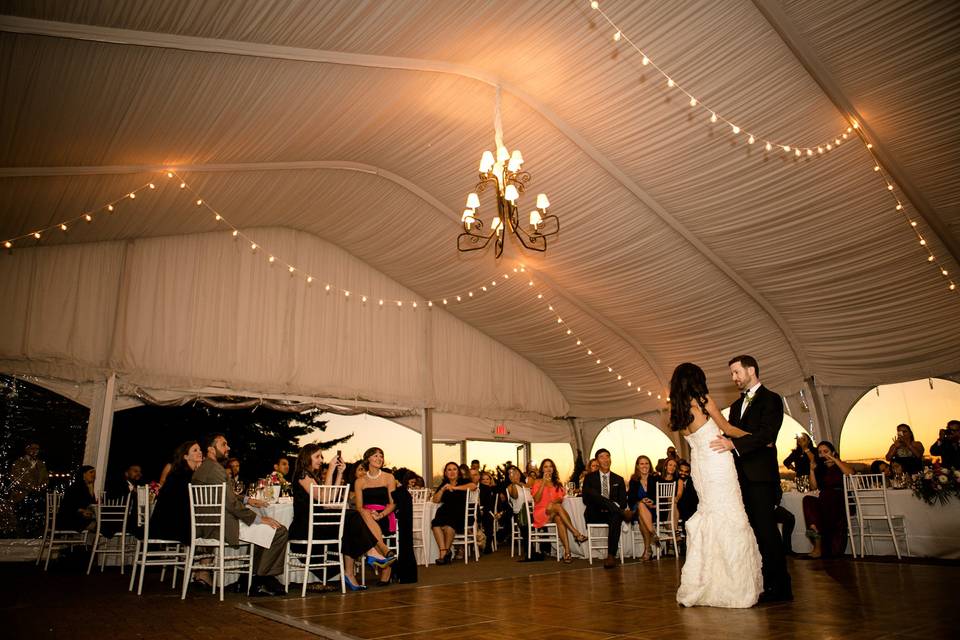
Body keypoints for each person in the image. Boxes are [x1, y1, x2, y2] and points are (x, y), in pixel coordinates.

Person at [671, 362, 762, 608]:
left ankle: (706, 581)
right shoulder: (702, 400)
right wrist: (758, 439)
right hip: (718, 461)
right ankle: (733, 585)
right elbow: (727, 428)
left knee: (711, 514)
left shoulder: (678, 409)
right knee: (730, 514)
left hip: (700, 466)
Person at [709, 355, 792, 603]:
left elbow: (767, 436)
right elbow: (729, 433)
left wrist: (734, 443)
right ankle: (763, 583)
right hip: (741, 477)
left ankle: (782, 588)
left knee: (767, 531)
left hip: (762, 477)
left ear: (751, 370)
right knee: (754, 533)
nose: (733, 378)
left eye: (736, 372)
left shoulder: (771, 399)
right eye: (732, 374)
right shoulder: (735, 406)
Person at [192, 433, 288, 596]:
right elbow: (231, 504)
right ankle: (260, 580)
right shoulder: (217, 470)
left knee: (264, 533)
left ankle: (249, 578)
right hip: (222, 525)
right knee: (279, 531)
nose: (228, 447)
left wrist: (247, 500)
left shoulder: (202, 469)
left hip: (209, 523)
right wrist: (258, 518)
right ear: (211, 449)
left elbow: (224, 495)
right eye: (224, 444)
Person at [289, 444, 393, 592]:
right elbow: (325, 499)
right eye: (317, 456)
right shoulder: (302, 474)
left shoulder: (312, 476)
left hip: (317, 522)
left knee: (351, 522)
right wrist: (331, 469)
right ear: (307, 457)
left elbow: (330, 497)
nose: (321, 460)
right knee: (353, 517)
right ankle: (370, 553)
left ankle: (351, 572)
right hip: (305, 526)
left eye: (321, 456)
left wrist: (339, 473)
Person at [354, 447, 398, 586]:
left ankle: (385, 559)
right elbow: (359, 507)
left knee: (367, 527)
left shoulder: (389, 477)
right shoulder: (360, 481)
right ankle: (385, 553)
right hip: (366, 515)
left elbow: (393, 504)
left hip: (384, 515)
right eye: (375, 456)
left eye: (381, 456)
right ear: (368, 459)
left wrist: (381, 514)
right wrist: (369, 513)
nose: (379, 458)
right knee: (365, 514)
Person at [529, 459, 587, 563]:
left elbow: (562, 498)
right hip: (541, 512)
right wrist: (543, 483)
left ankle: (567, 552)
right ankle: (576, 533)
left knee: (559, 518)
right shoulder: (537, 482)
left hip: (553, 513)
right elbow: (536, 499)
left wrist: (556, 501)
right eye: (545, 467)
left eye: (550, 466)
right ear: (542, 469)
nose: (548, 469)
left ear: (553, 469)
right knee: (556, 507)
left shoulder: (557, 483)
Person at [802, 441, 854, 559]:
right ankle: (817, 542)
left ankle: (817, 532)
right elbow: (814, 487)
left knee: (835, 552)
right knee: (808, 501)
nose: (823, 455)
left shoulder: (841, 465)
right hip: (824, 501)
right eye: (820, 452)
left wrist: (835, 460)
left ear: (833, 452)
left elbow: (850, 473)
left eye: (826, 451)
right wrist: (811, 470)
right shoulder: (820, 469)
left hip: (839, 502)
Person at [581, 448, 630, 569]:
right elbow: (586, 500)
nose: (605, 459)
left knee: (616, 516)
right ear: (597, 461)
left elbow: (623, 502)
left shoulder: (618, 479)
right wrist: (608, 503)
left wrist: (612, 508)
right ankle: (620, 512)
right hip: (594, 513)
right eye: (602, 457)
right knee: (594, 494)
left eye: (607, 456)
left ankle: (611, 556)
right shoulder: (589, 478)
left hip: (611, 514)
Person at [151, 441, 203, 546]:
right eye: (195, 450)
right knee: (212, 529)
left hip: (164, 524)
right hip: (170, 526)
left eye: (200, 449)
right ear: (186, 456)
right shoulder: (184, 476)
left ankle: (195, 558)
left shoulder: (182, 472)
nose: (200, 452)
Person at [430, 461, 476, 565]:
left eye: (454, 469)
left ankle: (444, 554)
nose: (452, 472)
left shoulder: (464, 481)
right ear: (445, 473)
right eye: (449, 470)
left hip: (460, 513)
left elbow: (473, 486)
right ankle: (444, 552)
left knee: (449, 526)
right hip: (444, 512)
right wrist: (442, 489)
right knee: (435, 524)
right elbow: (435, 500)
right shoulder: (444, 484)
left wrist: (454, 488)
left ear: (458, 472)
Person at [9, 442, 48, 537]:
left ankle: (35, 535)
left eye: (37, 449)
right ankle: (21, 536)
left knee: (37, 517)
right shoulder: (18, 462)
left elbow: (46, 479)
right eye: (32, 448)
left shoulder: (40, 463)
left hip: (37, 495)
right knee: (22, 517)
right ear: (27, 449)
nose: (35, 451)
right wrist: (31, 487)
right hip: (23, 495)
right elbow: (17, 478)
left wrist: (40, 487)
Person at [627, 455, 657, 561]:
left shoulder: (655, 478)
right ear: (637, 466)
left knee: (641, 519)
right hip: (637, 509)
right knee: (640, 505)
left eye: (646, 463)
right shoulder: (634, 480)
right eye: (642, 463)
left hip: (653, 509)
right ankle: (652, 532)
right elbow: (630, 499)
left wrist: (652, 501)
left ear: (650, 465)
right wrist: (641, 501)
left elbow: (660, 496)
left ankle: (647, 550)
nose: (644, 466)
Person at [59, 465, 97, 532]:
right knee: (97, 524)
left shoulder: (87, 487)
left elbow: (90, 504)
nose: (93, 475)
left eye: (94, 473)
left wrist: (91, 489)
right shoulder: (75, 487)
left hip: (81, 516)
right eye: (91, 472)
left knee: (100, 522)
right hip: (69, 517)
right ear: (84, 474)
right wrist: (82, 511)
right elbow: (68, 505)